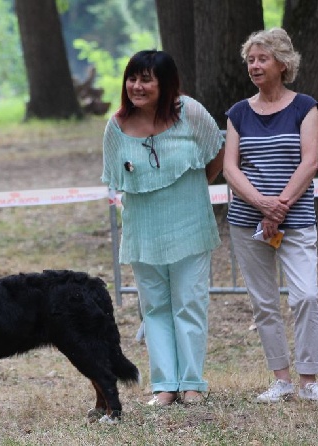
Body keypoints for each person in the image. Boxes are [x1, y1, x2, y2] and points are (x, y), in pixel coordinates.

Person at [223, 28, 318, 405]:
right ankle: (282, 381)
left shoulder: (305, 106)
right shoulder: (238, 112)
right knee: (265, 302)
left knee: (306, 296)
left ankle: (309, 382)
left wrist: (280, 206)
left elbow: (311, 162)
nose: (254, 66)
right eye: (251, 60)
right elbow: (230, 168)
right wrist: (262, 205)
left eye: (262, 59)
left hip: (296, 218)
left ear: (283, 63)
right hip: (247, 221)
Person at [101, 50, 224, 407]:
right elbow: (115, 179)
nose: (136, 86)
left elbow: (216, 150)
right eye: (132, 78)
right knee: (153, 307)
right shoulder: (116, 126)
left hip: (190, 226)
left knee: (190, 304)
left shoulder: (191, 113)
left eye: (146, 79)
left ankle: (192, 384)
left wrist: (192, 189)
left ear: (165, 84)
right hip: (143, 230)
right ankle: (165, 386)